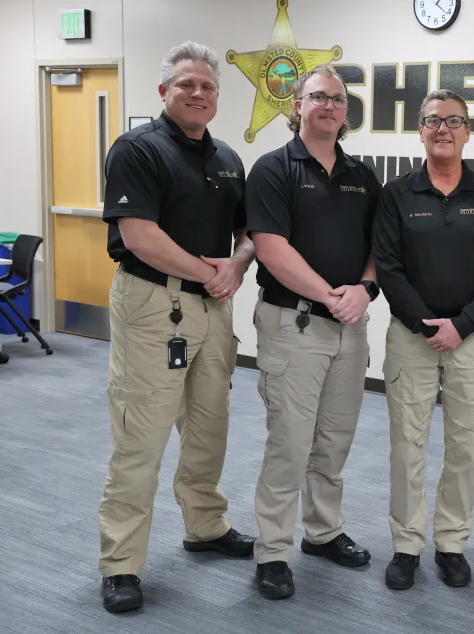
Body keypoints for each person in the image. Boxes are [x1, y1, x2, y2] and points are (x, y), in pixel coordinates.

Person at [98, 41, 256, 614]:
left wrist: (236, 266)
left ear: (217, 97)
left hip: (214, 309)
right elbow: (139, 235)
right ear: (163, 92)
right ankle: (120, 563)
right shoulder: (137, 151)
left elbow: (247, 234)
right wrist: (209, 274)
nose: (198, 94)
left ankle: (206, 526)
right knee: (141, 436)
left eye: (208, 86)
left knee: (209, 428)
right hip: (151, 305)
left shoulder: (228, 159)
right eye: (186, 84)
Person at [243, 64, 381, 600]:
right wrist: (330, 295)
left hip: (351, 325)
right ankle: (272, 551)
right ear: (296, 105)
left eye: (338, 100)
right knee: (290, 442)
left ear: (346, 113)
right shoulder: (273, 169)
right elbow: (271, 247)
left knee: (333, 440)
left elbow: (380, 244)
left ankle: (323, 532)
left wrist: (365, 288)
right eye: (318, 96)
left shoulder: (360, 174)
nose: (328, 106)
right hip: (294, 323)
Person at [372, 90, 474, 590]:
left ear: (468, 132)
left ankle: (451, 542)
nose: (442, 129)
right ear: (420, 130)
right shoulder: (396, 194)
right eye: (432, 120)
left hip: (472, 338)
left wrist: (464, 324)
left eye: (453, 121)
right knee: (406, 446)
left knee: (466, 447)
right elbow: (388, 267)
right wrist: (424, 323)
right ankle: (406, 544)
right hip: (411, 337)